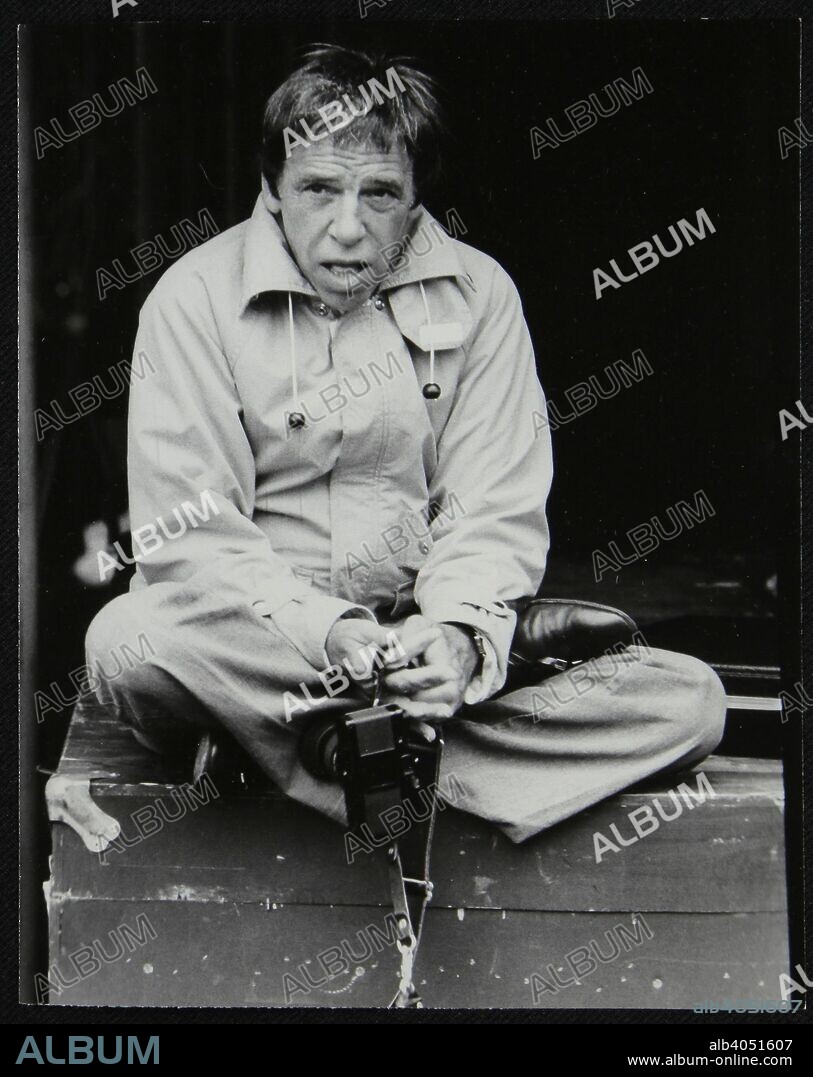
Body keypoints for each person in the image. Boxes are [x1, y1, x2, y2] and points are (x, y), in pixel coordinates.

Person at [82, 44, 725, 844]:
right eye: (318, 189)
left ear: (416, 202)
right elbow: (196, 543)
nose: (348, 228)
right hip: (261, 648)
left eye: (380, 194)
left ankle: (319, 748)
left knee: (688, 701)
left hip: (415, 651)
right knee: (126, 642)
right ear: (273, 189)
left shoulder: (480, 296)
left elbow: (490, 510)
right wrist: (332, 633)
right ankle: (383, 749)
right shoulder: (192, 300)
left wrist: (458, 637)